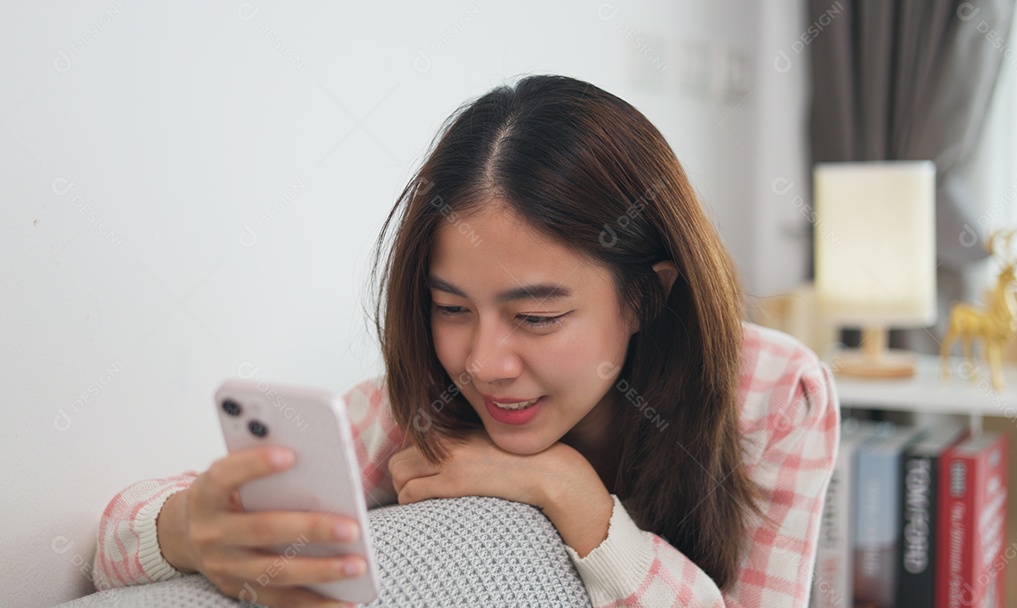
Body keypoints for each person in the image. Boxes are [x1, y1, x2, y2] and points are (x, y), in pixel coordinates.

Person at [92, 74, 839, 607]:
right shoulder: (422, 401)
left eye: (537, 317)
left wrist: (574, 496)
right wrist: (186, 530)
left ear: (647, 294)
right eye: (451, 307)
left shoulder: (776, 396)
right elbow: (115, 538)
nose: (484, 365)